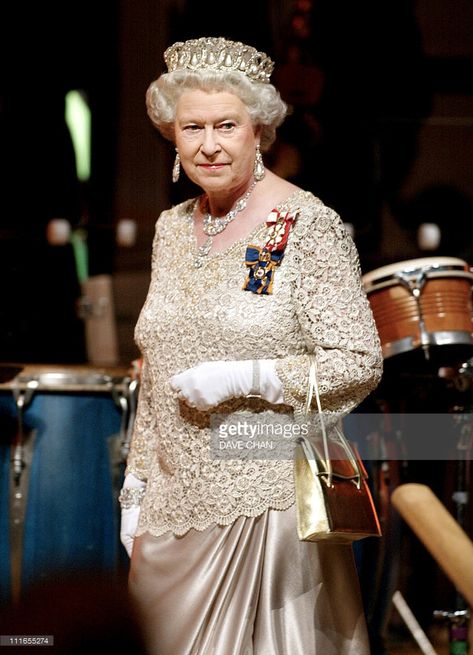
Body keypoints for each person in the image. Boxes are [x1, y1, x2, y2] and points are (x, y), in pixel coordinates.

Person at [119, 36, 383, 655]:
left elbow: (359, 361)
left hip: (265, 500)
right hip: (171, 505)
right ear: (171, 136)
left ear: (259, 131)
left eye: (226, 125)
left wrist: (251, 377)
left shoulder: (303, 224)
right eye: (192, 128)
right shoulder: (171, 229)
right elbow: (155, 372)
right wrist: (135, 489)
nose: (208, 144)